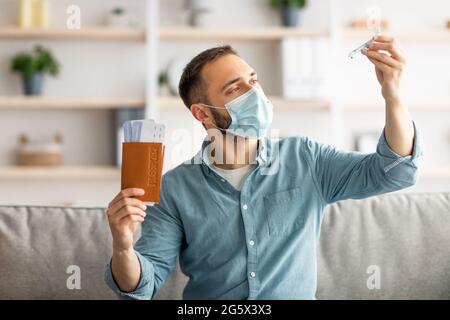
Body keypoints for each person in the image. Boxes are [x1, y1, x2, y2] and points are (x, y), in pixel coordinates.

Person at [105, 35, 422, 299]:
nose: (253, 93)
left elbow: (393, 171)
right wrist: (122, 244)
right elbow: (140, 288)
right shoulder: (174, 188)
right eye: (235, 89)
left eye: (252, 81)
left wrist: (392, 92)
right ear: (202, 114)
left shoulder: (305, 157)